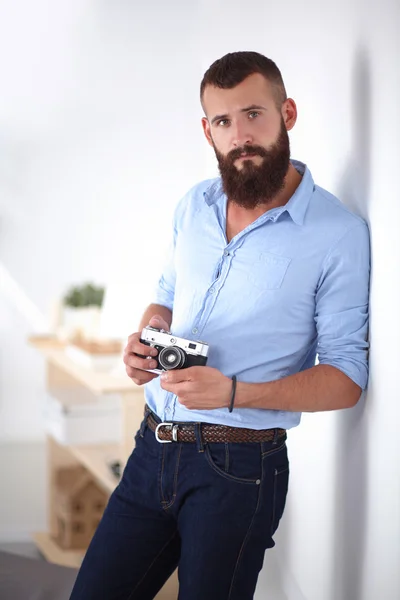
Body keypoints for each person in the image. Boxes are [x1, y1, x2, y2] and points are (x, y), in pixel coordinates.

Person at [70, 51, 370, 600]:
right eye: (224, 122)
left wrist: (234, 391)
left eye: (254, 114)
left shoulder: (337, 233)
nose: (241, 135)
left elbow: (346, 377)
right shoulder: (194, 205)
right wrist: (147, 337)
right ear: (207, 131)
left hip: (238, 471)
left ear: (289, 113)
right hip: (151, 448)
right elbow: (165, 297)